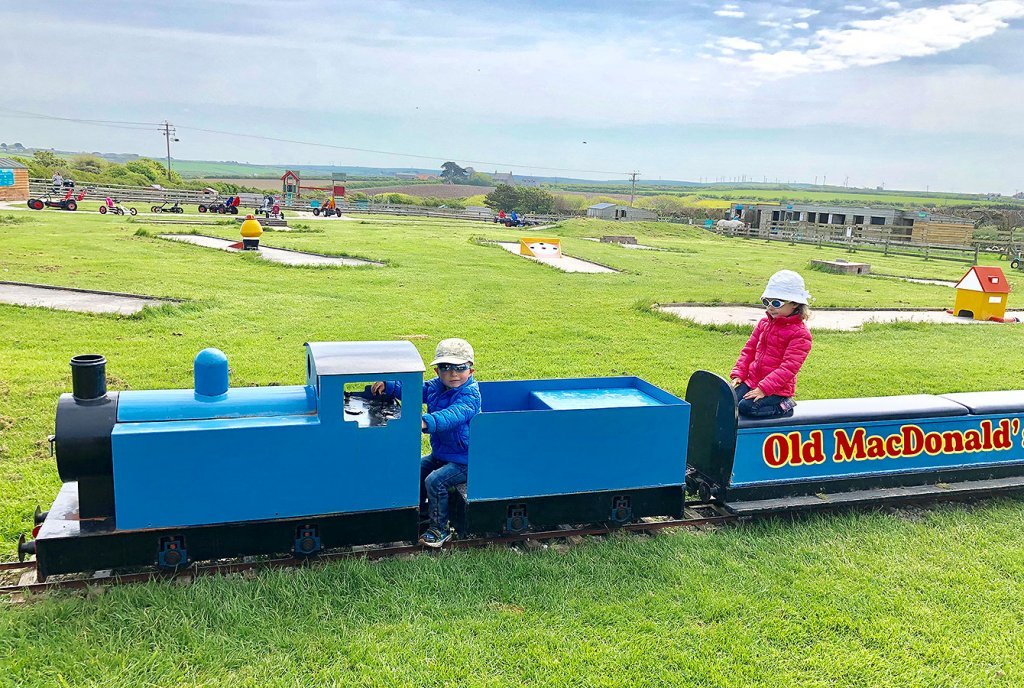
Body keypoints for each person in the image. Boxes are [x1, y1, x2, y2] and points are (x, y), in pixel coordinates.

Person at [372, 338, 481, 548]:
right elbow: (416, 390)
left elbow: (453, 415)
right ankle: (421, 514)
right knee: (417, 469)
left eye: (460, 368)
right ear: (437, 371)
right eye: (445, 368)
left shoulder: (470, 395)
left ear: (471, 371)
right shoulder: (436, 387)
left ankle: (439, 529)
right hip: (443, 453)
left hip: (465, 458)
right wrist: (390, 387)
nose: (453, 374)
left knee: (435, 481)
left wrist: (426, 421)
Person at [730, 270, 812, 418]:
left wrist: (763, 389)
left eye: (776, 303)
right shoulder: (764, 324)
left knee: (747, 407)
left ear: (794, 303)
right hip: (753, 380)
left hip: (777, 389)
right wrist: (739, 374)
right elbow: (749, 350)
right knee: (730, 402)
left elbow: (788, 368)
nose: (770, 307)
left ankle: (784, 405)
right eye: (766, 302)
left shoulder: (800, 334)